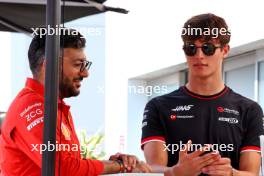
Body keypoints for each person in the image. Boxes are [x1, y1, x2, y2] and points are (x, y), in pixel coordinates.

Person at [0, 28, 151, 176]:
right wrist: (117, 166)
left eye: (85, 65)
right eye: (78, 64)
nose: (85, 73)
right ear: (49, 66)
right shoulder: (34, 107)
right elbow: (63, 168)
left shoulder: (51, 106)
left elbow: (70, 164)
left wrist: (112, 163)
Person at [141, 13, 264, 176]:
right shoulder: (158, 106)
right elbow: (152, 169)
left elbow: (252, 173)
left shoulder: (249, 109)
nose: (199, 56)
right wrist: (177, 172)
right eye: (191, 48)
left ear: (225, 50)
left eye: (208, 48)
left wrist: (231, 173)